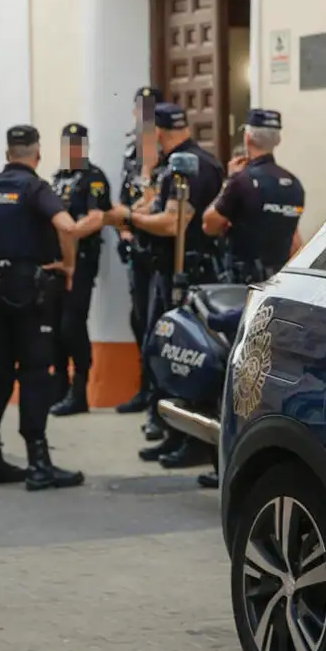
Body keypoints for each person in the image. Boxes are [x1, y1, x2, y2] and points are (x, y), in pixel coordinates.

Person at [0, 125, 103, 490]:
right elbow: (67, 227)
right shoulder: (34, 188)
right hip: (29, 294)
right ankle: (38, 464)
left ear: (7, 153)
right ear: (37, 154)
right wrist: (68, 265)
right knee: (34, 373)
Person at [106, 101, 225, 470]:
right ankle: (174, 431)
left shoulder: (191, 166)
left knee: (187, 354)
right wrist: (134, 213)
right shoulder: (172, 165)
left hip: (188, 273)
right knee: (167, 351)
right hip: (164, 271)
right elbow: (154, 207)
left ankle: (193, 441)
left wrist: (127, 216)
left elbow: (174, 223)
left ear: (156, 131)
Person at [49, 122, 113, 417]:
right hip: (56, 263)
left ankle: (79, 392)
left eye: (77, 145)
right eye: (68, 144)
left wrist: (70, 231)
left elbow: (97, 217)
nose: (72, 150)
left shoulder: (94, 178)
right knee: (54, 327)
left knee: (72, 325)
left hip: (82, 263)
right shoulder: (57, 178)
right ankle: (59, 387)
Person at [204, 108, 306, 284]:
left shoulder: (242, 181)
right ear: (278, 140)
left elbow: (209, 225)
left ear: (247, 137)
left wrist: (229, 181)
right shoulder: (294, 184)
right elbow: (294, 241)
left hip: (243, 283)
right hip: (279, 281)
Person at [115, 87, 162, 421]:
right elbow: (122, 199)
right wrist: (124, 231)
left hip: (159, 248)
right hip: (136, 247)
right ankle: (145, 388)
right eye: (140, 110)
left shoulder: (164, 153)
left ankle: (159, 394)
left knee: (157, 322)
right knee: (139, 320)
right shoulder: (131, 152)